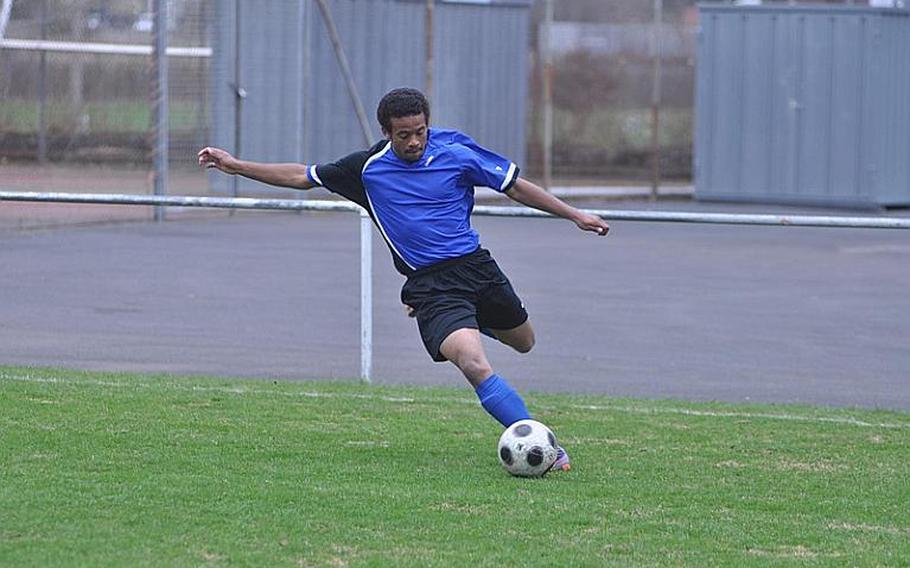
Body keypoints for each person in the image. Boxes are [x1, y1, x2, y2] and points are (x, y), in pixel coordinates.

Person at [198, 87, 609, 472]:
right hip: (431, 287)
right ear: (386, 133)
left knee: (524, 341)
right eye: (403, 135)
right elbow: (300, 176)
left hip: (477, 269)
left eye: (420, 132)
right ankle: (543, 446)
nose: (414, 142)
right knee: (472, 361)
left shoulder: (457, 151)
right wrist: (235, 165)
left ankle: (472, 318)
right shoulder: (366, 169)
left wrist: (575, 215)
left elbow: (515, 187)